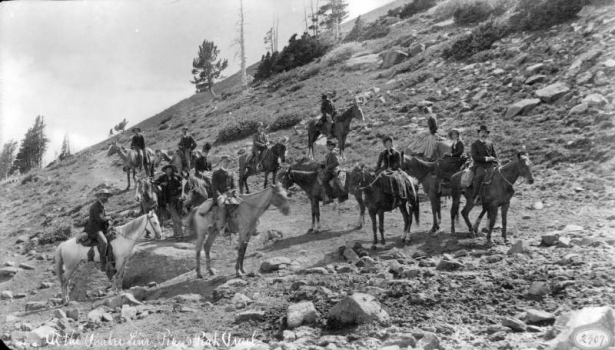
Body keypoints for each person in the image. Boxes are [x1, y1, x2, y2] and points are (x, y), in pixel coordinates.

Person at [470, 125, 499, 204]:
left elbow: (494, 154)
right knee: (479, 175)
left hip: (490, 164)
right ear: (479, 134)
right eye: (482, 132)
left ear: (487, 134)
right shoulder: (475, 144)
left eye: (485, 133)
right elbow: (474, 157)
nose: (484, 134)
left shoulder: (490, 143)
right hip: (479, 165)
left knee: (499, 175)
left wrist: (495, 161)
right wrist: (486, 158)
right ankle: (476, 197)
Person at [154, 164, 184, 237]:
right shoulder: (163, 177)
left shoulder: (177, 176)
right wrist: (162, 183)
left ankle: (179, 232)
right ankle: (177, 233)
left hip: (178, 197)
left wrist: (181, 187)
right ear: (165, 171)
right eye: (167, 170)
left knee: (177, 215)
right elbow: (155, 182)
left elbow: (184, 182)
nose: (169, 171)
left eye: (170, 169)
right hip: (169, 199)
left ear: (172, 170)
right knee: (174, 215)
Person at [211, 155, 237, 235]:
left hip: (229, 194)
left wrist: (232, 192)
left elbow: (234, 186)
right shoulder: (216, 173)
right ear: (221, 162)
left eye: (228, 162)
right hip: (220, 195)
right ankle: (222, 227)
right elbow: (214, 187)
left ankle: (234, 226)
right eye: (225, 162)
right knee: (223, 206)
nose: (227, 163)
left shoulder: (232, 173)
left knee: (237, 205)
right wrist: (220, 195)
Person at [87, 189, 113, 271]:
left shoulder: (101, 205)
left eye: (106, 195)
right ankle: (103, 264)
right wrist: (108, 218)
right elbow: (99, 219)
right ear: (99, 196)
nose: (106, 197)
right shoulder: (95, 206)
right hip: (95, 229)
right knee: (104, 242)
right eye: (103, 195)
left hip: (101, 228)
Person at [322, 139, 340, 204]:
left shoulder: (333, 153)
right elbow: (327, 163)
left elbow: (337, 163)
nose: (330, 147)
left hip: (333, 170)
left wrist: (328, 167)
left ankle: (330, 197)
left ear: (333, 146)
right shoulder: (328, 154)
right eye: (329, 146)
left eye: (331, 146)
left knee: (325, 181)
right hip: (330, 170)